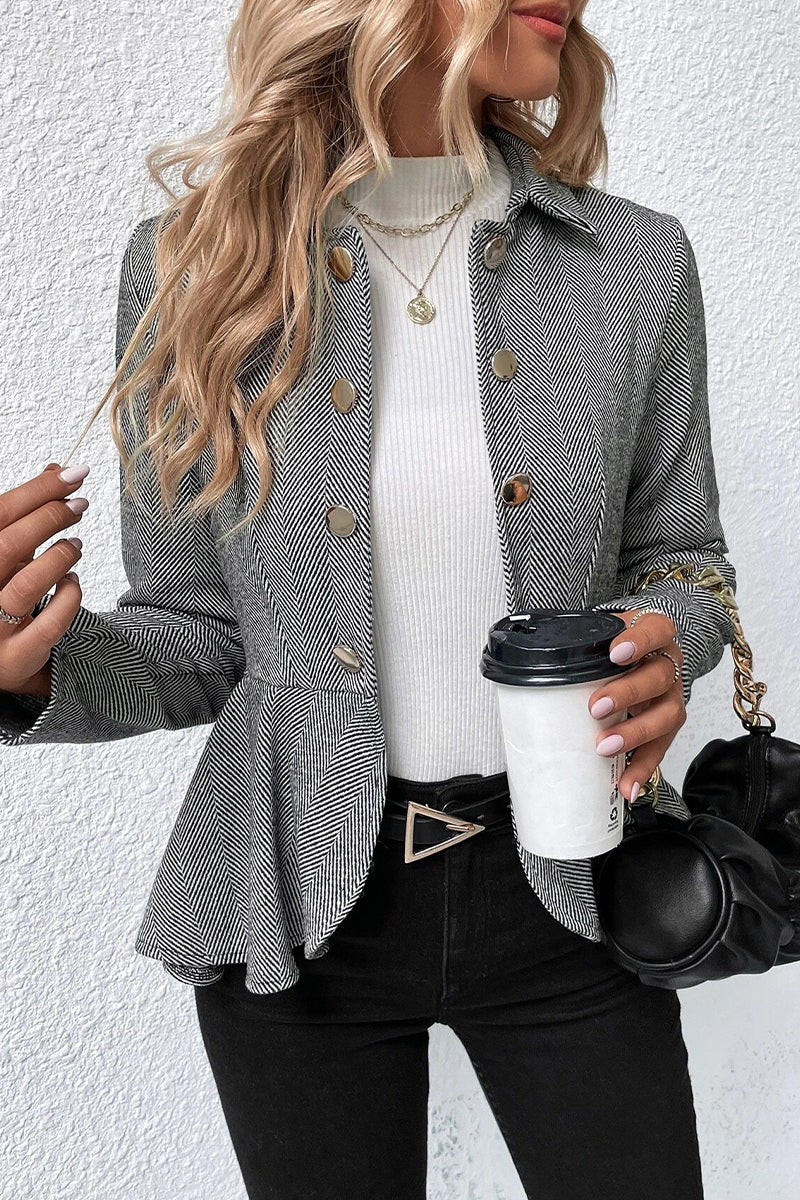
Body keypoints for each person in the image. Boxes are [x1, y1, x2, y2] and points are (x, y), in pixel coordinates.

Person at [0, 2, 737, 1196]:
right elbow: (198, 635)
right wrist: (32, 661)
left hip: (577, 886)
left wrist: (667, 638)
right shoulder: (191, 265)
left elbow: (683, 559)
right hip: (293, 911)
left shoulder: (635, 264)